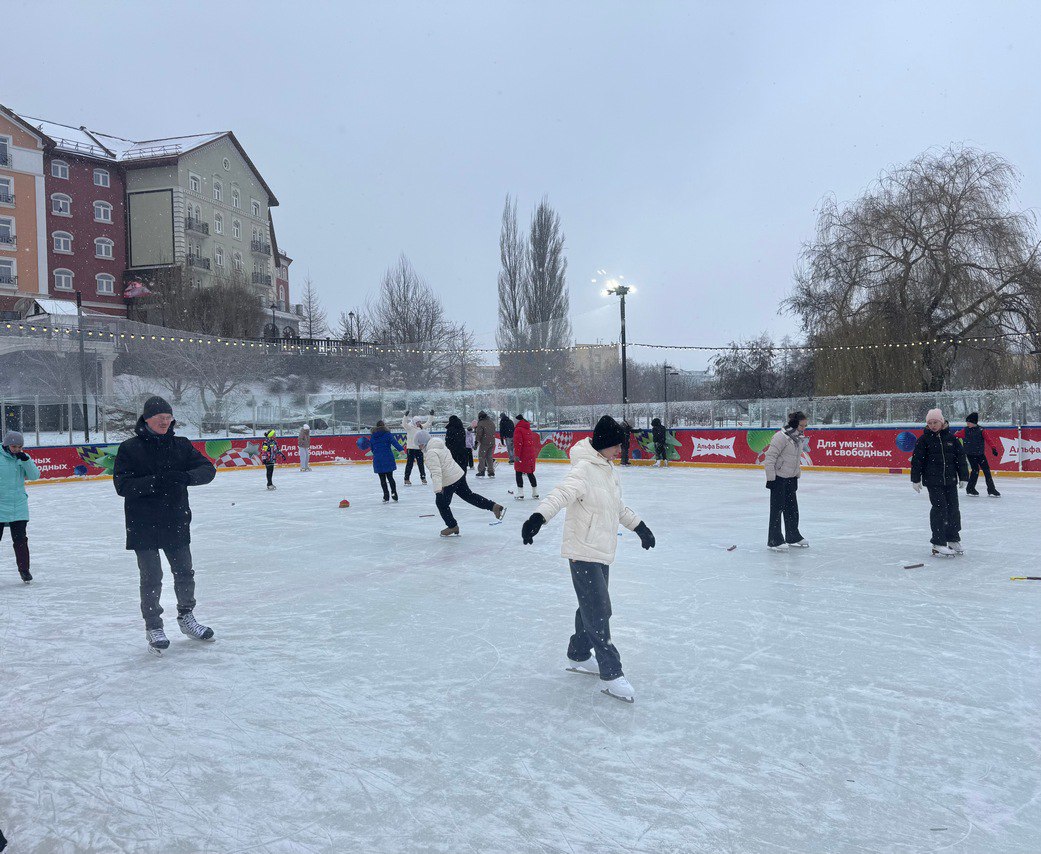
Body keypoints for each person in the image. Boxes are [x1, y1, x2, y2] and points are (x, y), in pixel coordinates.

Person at [520, 415, 655, 704]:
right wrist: (538, 517)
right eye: (616, 446)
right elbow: (560, 494)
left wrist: (640, 527)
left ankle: (579, 654)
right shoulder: (583, 469)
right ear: (604, 444)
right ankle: (612, 673)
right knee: (599, 609)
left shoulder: (606, 469)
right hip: (582, 551)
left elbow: (616, 506)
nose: (620, 451)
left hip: (601, 550)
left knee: (591, 607)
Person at [113, 396, 217, 654]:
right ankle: (153, 625)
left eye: (168, 418)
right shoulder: (130, 448)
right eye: (159, 418)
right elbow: (122, 486)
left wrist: (185, 477)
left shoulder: (181, 446)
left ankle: (186, 617)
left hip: (175, 518)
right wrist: (154, 482)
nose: (164, 422)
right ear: (146, 419)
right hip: (143, 523)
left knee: (184, 572)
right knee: (151, 577)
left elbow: (208, 469)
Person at [416, 429, 505, 536]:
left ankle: (452, 526)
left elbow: (436, 473)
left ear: (422, 443)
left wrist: (438, 491)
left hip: (449, 480)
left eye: (419, 444)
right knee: (469, 496)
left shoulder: (431, 452)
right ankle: (493, 506)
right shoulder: (439, 444)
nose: (419, 447)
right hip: (458, 475)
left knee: (441, 504)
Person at [911, 408, 969, 557]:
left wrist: (963, 477)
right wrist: (915, 479)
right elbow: (917, 461)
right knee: (940, 508)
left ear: (942, 422)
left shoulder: (952, 439)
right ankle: (938, 542)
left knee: (953, 509)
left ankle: (953, 539)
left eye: (935, 422)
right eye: (929, 423)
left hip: (950, 481)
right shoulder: (924, 440)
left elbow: (960, 459)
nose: (932, 425)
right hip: (933, 481)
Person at [764, 411, 810, 551]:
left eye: (805, 425)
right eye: (802, 425)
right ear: (795, 424)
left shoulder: (798, 437)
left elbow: (795, 458)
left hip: (791, 478)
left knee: (792, 509)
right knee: (777, 510)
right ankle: (775, 540)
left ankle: (792, 536)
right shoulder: (781, 437)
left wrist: (797, 474)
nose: (804, 428)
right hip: (778, 478)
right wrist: (771, 478)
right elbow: (770, 458)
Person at [1, 430, 40, 583]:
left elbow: (35, 476)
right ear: (6, 445)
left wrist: (26, 461)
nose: (17, 449)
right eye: (14, 446)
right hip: (0, 504)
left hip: (18, 505)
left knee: (20, 540)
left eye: (19, 447)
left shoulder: (23, 458)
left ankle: (24, 570)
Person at [958, 412, 1000, 497]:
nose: (967, 424)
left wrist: (993, 448)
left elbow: (988, 440)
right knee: (975, 470)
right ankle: (970, 489)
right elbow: (955, 436)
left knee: (986, 471)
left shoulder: (981, 430)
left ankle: (991, 489)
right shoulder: (965, 430)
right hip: (970, 454)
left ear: (973, 422)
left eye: (968, 422)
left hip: (980, 454)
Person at [370, 420, 404, 502]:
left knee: (382, 479)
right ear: (384, 426)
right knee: (390, 477)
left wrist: (377, 452)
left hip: (378, 459)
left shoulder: (373, 436)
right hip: (387, 457)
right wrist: (401, 450)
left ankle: (386, 496)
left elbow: (372, 448)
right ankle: (394, 493)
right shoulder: (387, 434)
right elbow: (394, 442)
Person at [512, 414, 540, 500]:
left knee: (518, 472)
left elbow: (518, 444)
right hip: (530, 454)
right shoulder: (528, 429)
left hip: (522, 455)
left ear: (517, 421)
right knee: (530, 472)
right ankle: (535, 492)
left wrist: (517, 455)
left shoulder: (518, 429)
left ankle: (520, 492)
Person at [402, 411, 429, 486]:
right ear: (414, 422)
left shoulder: (421, 427)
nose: (419, 423)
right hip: (411, 449)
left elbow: (428, 423)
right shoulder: (409, 427)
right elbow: (404, 424)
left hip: (419, 449)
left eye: (420, 422)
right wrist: (405, 416)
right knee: (409, 464)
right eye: (417, 422)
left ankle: (423, 478)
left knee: (421, 464)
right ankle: (406, 479)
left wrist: (431, 416)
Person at [475, 410, 497, 477]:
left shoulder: (481, 423)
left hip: (484, 442)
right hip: (492, 442)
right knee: (489, 457)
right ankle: (491, 472)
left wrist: (476, 441)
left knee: (481, 457)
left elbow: (479, 434)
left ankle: (481, 471)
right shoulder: (491, 422)